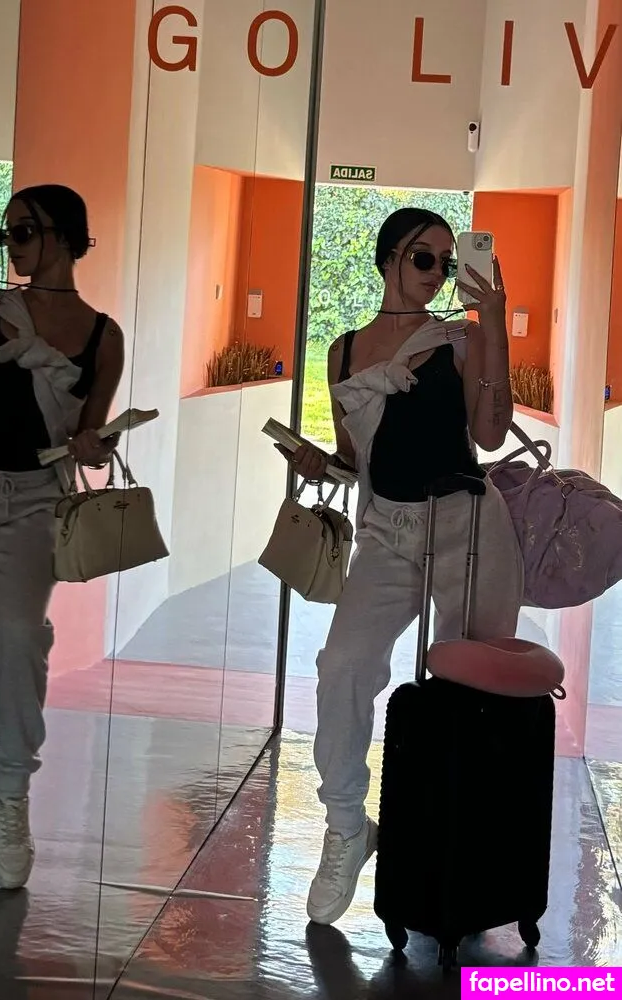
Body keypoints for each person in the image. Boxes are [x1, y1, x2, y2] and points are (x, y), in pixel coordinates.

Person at [288, 208, 523, 926]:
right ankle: (346, 827)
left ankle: (462, 845)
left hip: (467, 528)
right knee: (341, 667)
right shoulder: (343, 351)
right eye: (425, 258)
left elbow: (488, 434)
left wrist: (493, 322)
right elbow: (356, 458)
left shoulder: (458, 340)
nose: (438, 274)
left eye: (448, 264)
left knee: (471, 691)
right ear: (389, 257)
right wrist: (319, 464)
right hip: (385, 531)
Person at [0, 184, 124, 889]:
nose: (10, 245)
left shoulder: (103, 334)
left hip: (36, 494)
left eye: (21, 231)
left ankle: (11, 791)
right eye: (6, 234)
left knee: (18, 640)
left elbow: (91, 433)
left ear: (62, 236)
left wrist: (95, 443)